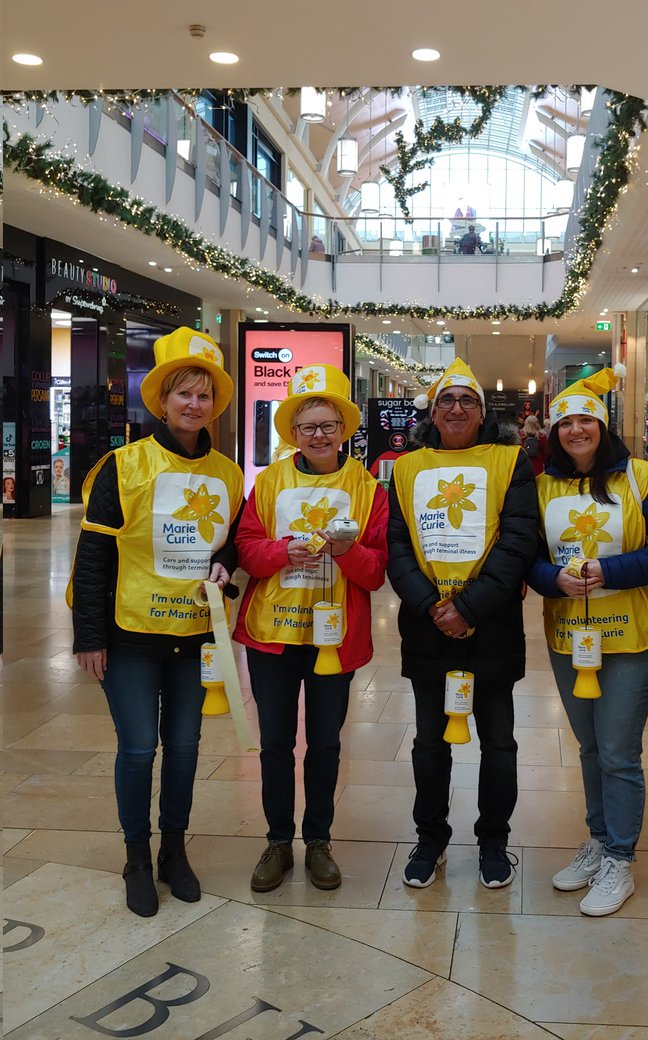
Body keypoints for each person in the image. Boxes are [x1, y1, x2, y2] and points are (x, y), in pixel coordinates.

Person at [71, 328, 244, 917]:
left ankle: (175, 849)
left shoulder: (227, 474)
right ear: (163, 401)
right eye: (183, 395)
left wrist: (225, 569)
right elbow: (93, 554)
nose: (194, 405)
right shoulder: (124, 465)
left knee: (187, 746)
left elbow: (232, 545)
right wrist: (89, 637)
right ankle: (136, 857)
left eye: (203, 396)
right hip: (131, 636)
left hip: (197, 635)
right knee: (140, 747)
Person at [528, 369, 648, 916]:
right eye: (565, 422)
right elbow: (528, 558)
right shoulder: (541, 485)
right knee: (589, 746)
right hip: (570, 636)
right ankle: (598, 839)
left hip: (633, 638)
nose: (575, 430)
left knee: (618, 751)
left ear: (603, 426)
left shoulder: (645, 480)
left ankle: (620, 856)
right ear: (554, 433)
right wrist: (554, 580)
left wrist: (609, 571)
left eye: (584, 420)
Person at [235, 365, 388, 892]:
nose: (318, 435)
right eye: (307, 427)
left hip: (334, 637)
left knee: (324, 744)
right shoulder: (271, 482)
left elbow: (375, 572)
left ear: (344, 429)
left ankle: (318, 840)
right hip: (273, 632)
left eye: (328, 425)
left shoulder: (368, 488)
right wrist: (283, 551)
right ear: (293, 434)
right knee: (275, 744)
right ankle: (278, 841)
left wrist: (345, 552)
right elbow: (248, 551)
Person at [387, 358, 539, 889]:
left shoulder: (510, 460)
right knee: (430, 741)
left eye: (467, 400)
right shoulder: (407, 468)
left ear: (481, 413)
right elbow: (398, 546)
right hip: (427, 627)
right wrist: (434, 605)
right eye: (447, 399)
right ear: (433, 410)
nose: (456, 408)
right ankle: (430, 838)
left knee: (499, 742)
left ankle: (494, 840)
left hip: (492, 627)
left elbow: (520, 541)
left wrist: (468, 607)